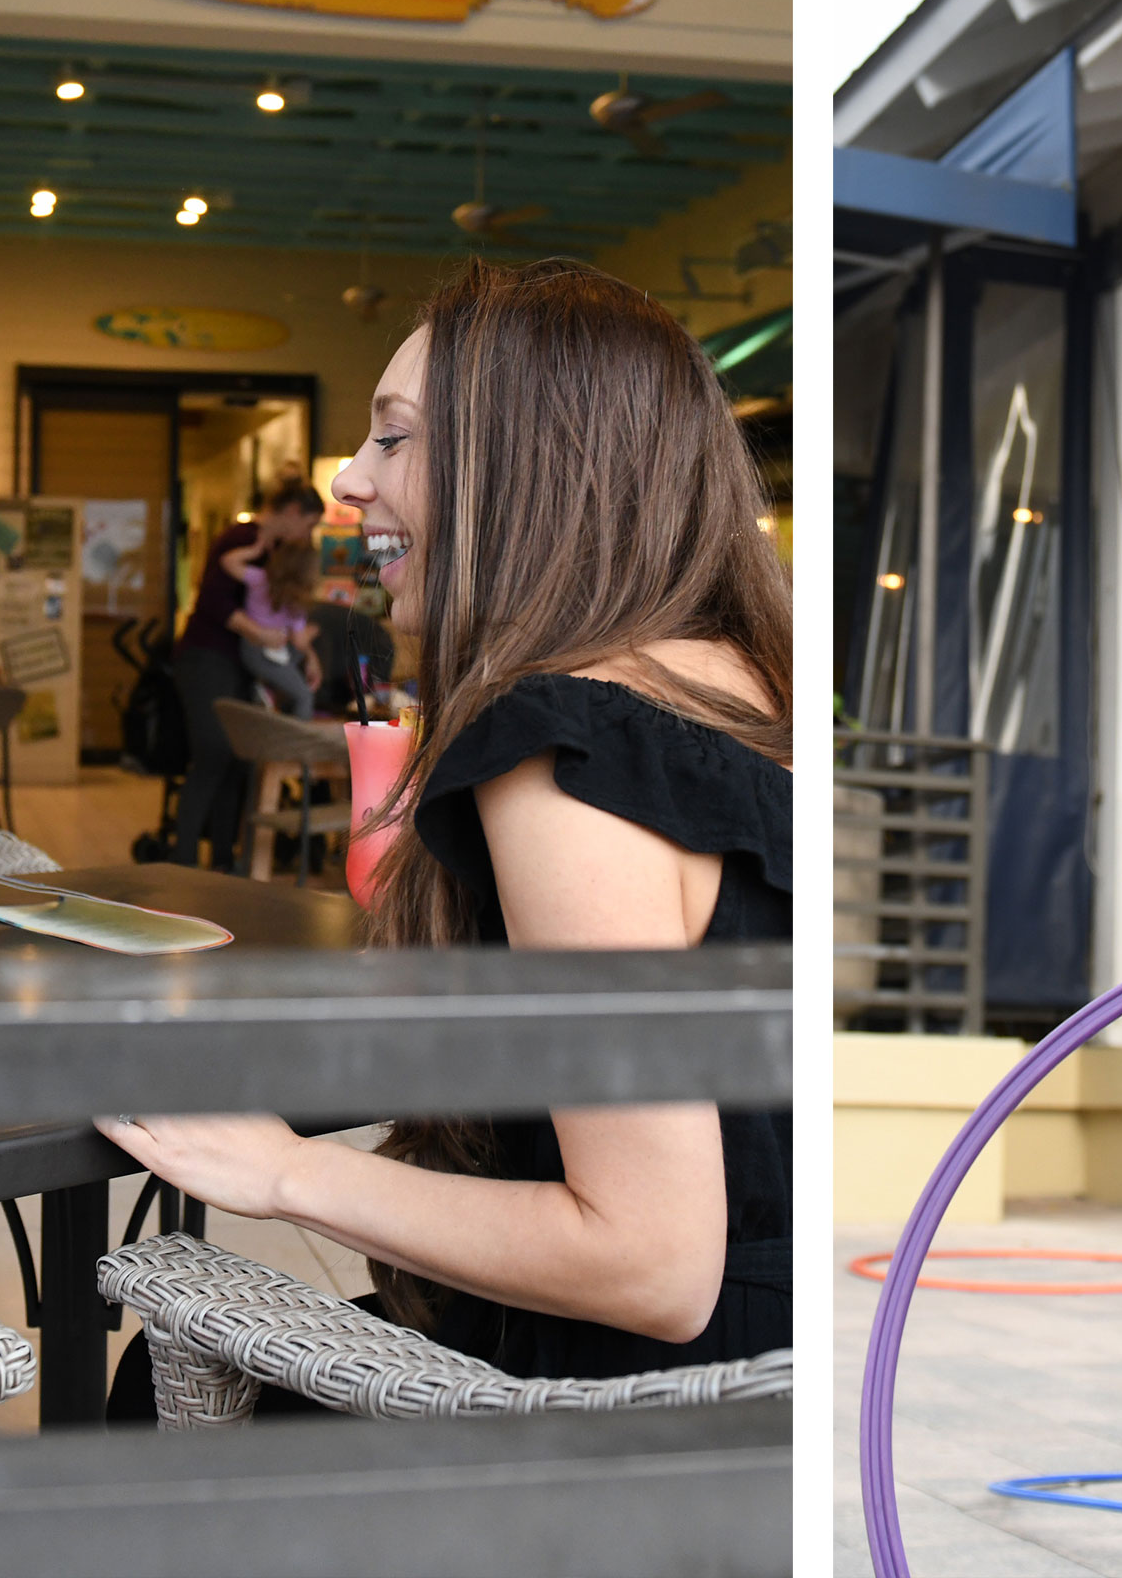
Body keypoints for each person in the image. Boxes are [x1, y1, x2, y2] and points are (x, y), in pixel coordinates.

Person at [98, 258, 789, 1414]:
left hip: (631, 1421)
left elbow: (651, 1261)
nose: (346, 479)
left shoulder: (566, 747)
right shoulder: (743, 688)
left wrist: (285, 1172)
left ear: (531, 468)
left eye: (395, 440)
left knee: (153, 1387)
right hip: (763, 1386)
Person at [165, 483, 324, 867]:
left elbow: (283, 608)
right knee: (213, 753)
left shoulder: (277, 551)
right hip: (206, 658)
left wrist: (307, 655)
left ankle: (223, 857)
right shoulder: (242, 538)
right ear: (291, 512)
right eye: (309, 524)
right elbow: (212, 601)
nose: (307, 534)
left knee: (238, 757)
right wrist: (258, 634)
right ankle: (182, 859)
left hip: (235, 663)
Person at [221, 539, 322, 718]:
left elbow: (228, 562)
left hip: (249, 648)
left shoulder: (259, 579)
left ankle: (269, 689)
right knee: (304, 697)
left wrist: (254, 550)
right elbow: (299, 642)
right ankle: (299, 743)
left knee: (294, 659)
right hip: (268, 655)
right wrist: (312, 632)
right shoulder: (297, 603)